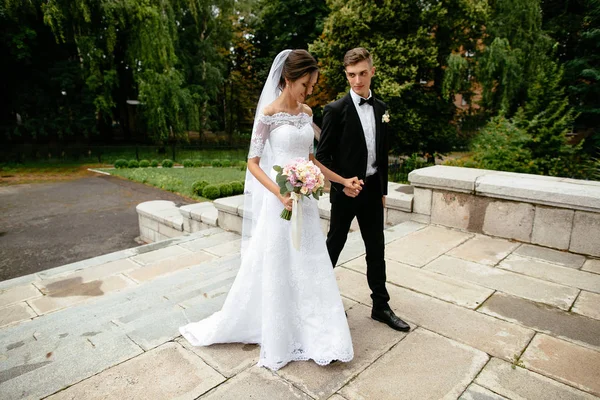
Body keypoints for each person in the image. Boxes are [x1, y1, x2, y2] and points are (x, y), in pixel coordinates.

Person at [180, 49, 359, 371]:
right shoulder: (268, 115)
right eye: (305, 84)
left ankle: (322, 335)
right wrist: (279, 192)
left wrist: (342, 180)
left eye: (313, 86)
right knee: (280, 265)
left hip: (304, 204)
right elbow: (252, 162)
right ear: (288, 79)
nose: (309, 91)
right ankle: (282, 334)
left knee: (311, 265)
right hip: (280, 204)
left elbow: (311, 160)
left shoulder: (306, 113)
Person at [316, 47, 410, 332]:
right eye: (351, 75)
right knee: (334, 245)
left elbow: (381, 153)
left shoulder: (381, 109)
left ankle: (380, 306)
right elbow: (322, 157)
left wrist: (382, 192)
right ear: (346, 75)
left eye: (362, 73)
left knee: (376, 249)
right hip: (345, 193)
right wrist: (343, 184)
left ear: (372, 72)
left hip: (371, 193)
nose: (357, 80)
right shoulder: (334, 110)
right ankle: (320, 300)